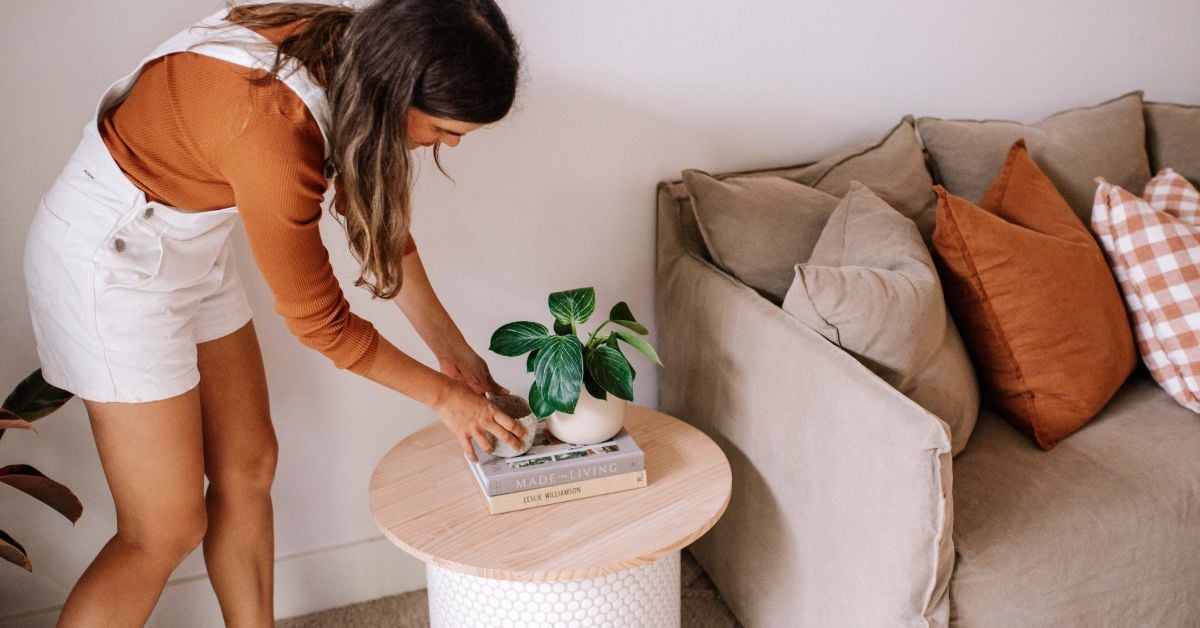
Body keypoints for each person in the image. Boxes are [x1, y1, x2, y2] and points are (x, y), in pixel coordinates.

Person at [20, 1, 526, 625]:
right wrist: (446, 401)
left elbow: (379, 228)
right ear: (395, 91)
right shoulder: (270, 128)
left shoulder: (353, 47)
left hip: (190, 240)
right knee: (163, 528)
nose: (445, 146)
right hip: (109, 262)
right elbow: (321, 322)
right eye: (446, 130)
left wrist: (454, 356)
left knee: (249, 467)